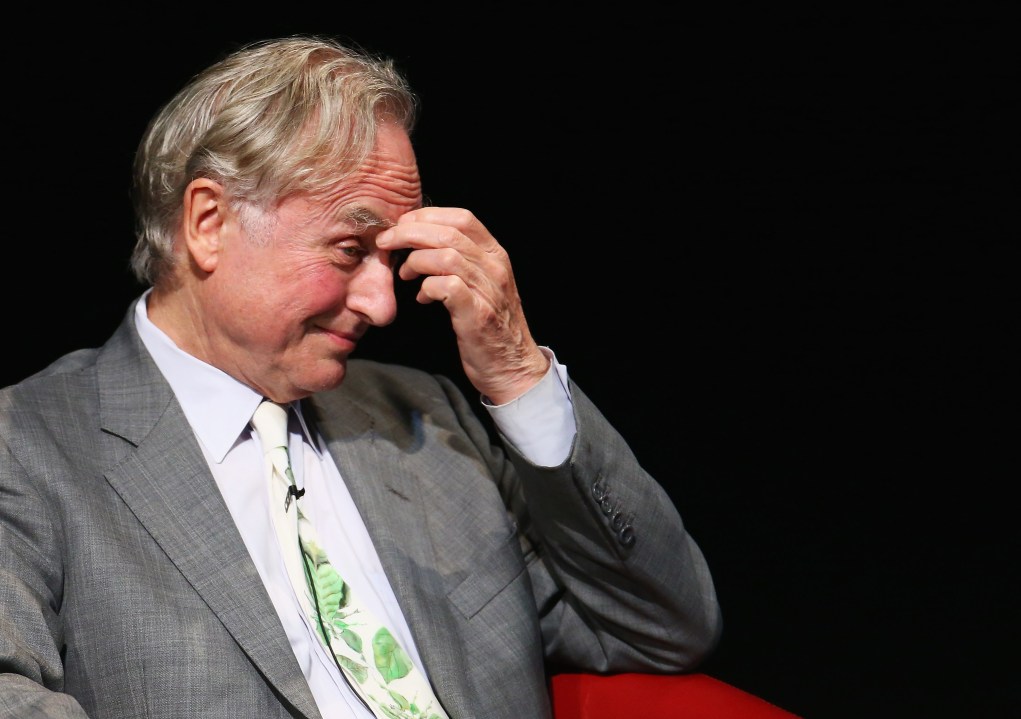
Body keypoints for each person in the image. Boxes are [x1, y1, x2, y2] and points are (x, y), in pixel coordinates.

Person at [0, 35, 721, 719]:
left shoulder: (428, 420)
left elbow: (664, 630)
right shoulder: (26, 444)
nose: (384, 304)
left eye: (392, 257)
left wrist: (516, 373)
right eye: (349, 249)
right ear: (209, 222)